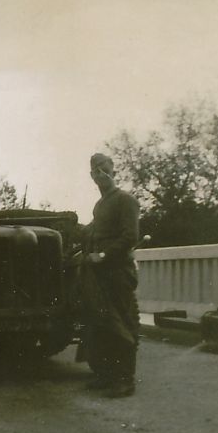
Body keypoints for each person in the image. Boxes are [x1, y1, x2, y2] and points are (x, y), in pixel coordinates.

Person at [79, 153, 141, 398]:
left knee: (121, 323)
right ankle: (106, 375)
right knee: (101, 324)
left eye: (103, 170)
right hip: (98, 273)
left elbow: (130, 237)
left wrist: (104, 255)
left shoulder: (125, 200)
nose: (99, 175)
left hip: (116, 271)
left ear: (113, 171)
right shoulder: (100, 204)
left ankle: (125, 379)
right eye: (95, 171)